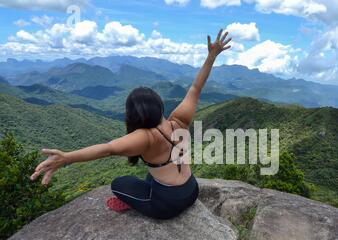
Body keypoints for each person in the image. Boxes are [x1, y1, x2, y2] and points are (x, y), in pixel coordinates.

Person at [30, 29, 232, 219]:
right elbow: (196, 87)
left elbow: (106, 149)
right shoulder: (179, 121)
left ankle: (141, 204)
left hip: (169, 205)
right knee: (150, 176)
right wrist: (211, 57)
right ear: (159, 106)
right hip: (191, 190)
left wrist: (66, 158)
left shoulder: (145, 137)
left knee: (119, 184)